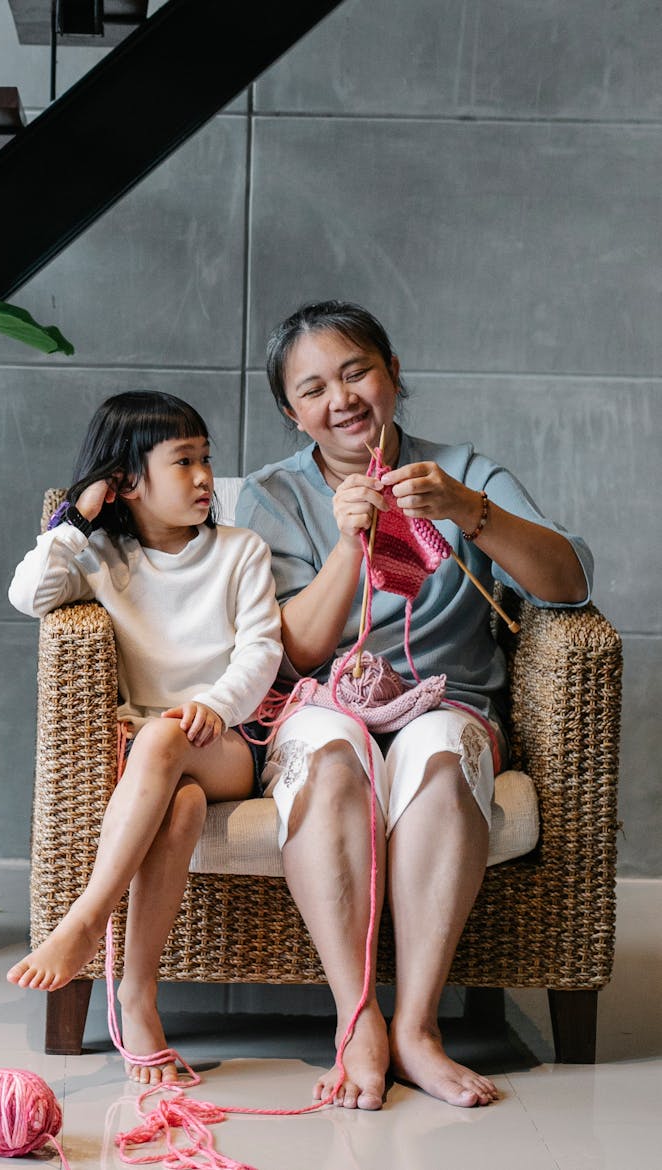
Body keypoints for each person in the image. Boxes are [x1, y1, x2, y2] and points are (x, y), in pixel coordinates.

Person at [235, 301, 592, 1111]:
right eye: (314, 388)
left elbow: (568, 585)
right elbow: (291, 653)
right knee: (329, 746)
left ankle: (420, 1028)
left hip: (446, 700)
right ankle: (357, 1018)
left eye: (356, 371)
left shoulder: (464, 469)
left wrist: (469, 511)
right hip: (326, 700)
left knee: (435, 748)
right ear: (292, 412)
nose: (343, 399)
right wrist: (346, 545)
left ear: (392, 372)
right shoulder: (271, 496)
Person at [7, 390, 282, 1084]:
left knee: (165, 742)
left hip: (229, 741)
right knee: (180, 806)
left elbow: (262, 651)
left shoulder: (239, 552)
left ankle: (82, 924)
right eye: (183, 462)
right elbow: (28, 596)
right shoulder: (101, 558)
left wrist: (215, 707)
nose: (203, 479)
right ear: (128, 482)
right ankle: (137, 992)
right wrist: (76, 519)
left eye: (206, 460)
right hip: (157, 757)